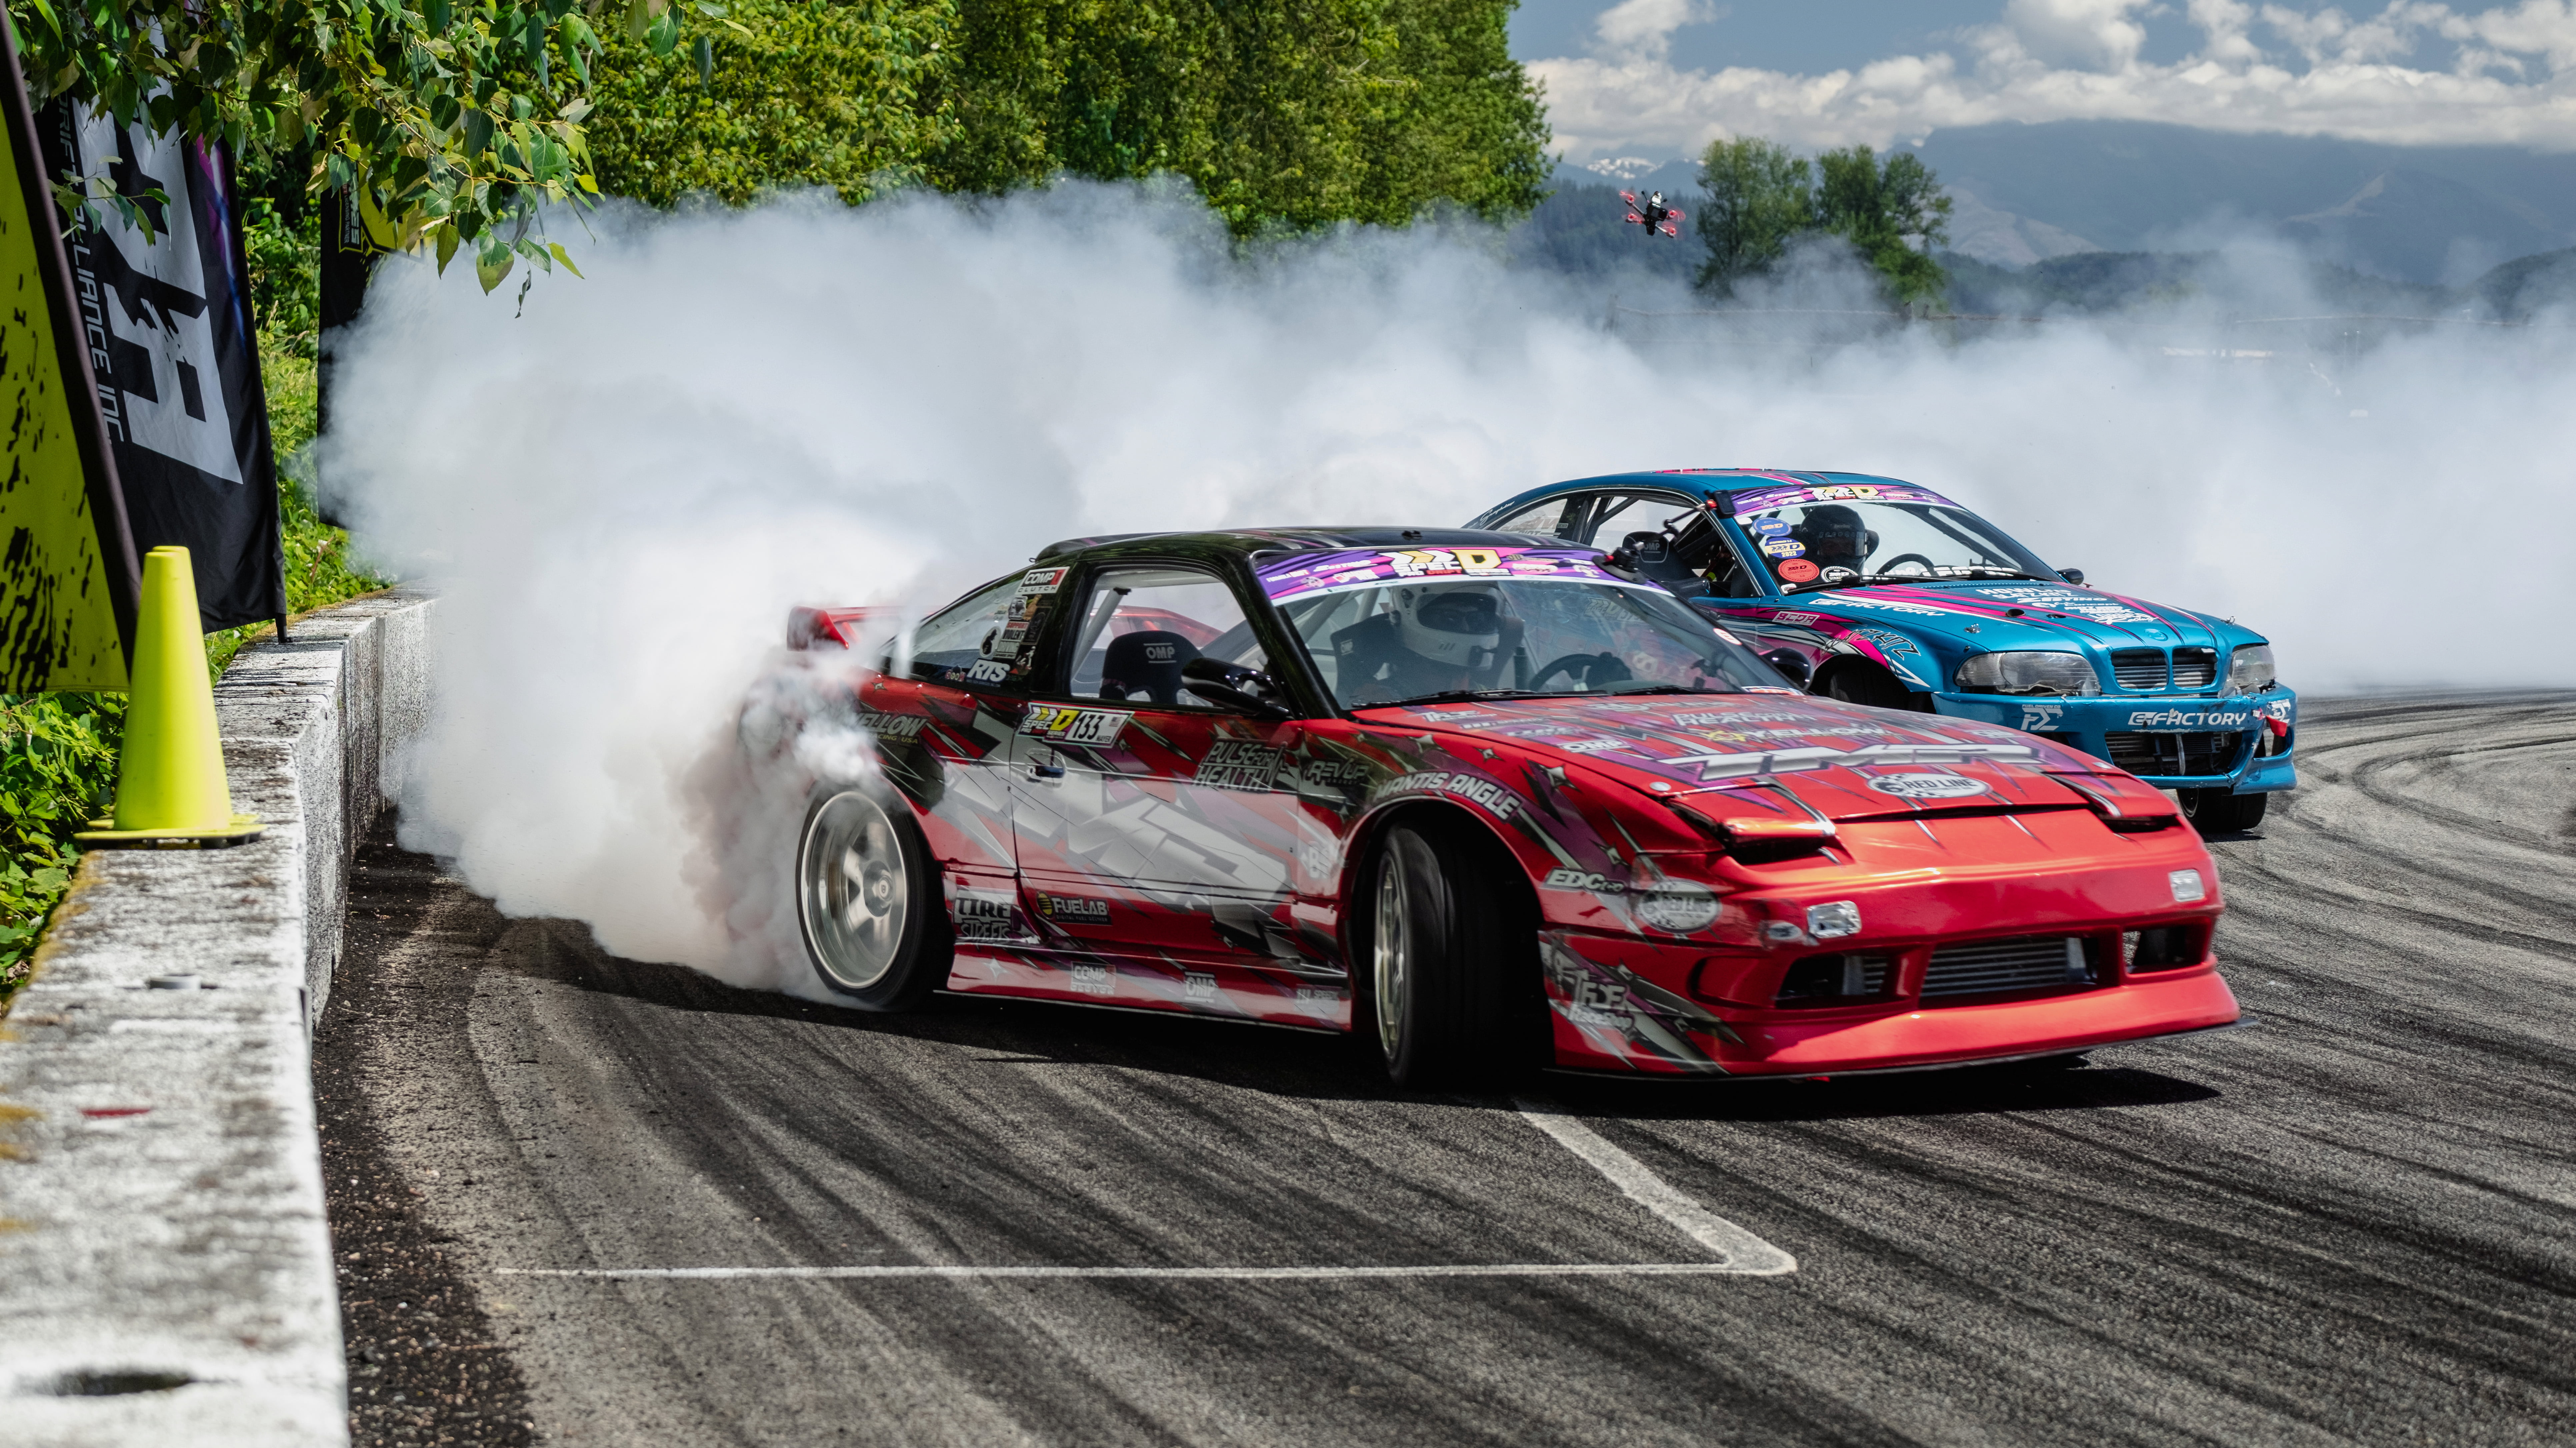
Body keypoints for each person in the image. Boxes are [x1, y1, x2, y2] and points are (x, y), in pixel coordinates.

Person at [1329, 583, 1516, 703]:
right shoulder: (1378, 703)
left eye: (1478, 619)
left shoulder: (1496, 698)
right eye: (1449, 618)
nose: (1467, 628)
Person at [1786, 504, 1879, 576]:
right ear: (1810, 548)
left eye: (1850, 546)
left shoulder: (1872, 588)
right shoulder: (1780, 586)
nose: (1844, 554)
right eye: (1832, 546)